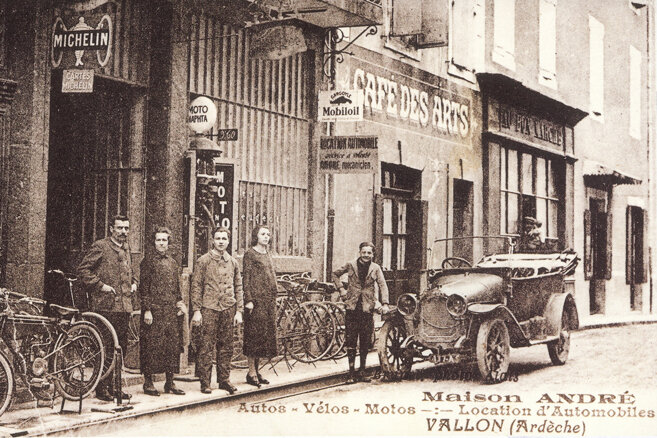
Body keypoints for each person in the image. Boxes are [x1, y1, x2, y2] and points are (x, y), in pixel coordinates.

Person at [78, 214, 138, 402]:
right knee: (105, 348)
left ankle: (116, 387)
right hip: (105, 308)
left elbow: (131, 273)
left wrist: (134, 282)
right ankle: (102, 388)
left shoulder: (126, 248)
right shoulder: (101, 246)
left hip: (124, 308)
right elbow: (83, 270)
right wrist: (100, 285)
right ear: (111, 228)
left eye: (126, 228)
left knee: (121, 348)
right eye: (120, 228)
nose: (123, 232)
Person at [191, 226, 244, 394]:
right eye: (218, 238)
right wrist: (197, 310)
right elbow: (196, 286)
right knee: (206, 346)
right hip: (209, 308)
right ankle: (205, 382)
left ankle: (224, 379)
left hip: (228, 307)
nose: (221, 242)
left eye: (224, 239)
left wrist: (239, 311)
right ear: (212, 240)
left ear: (228, 241)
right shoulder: (203, 261)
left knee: (226, 345)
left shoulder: (233, 262)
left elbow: (238, 286)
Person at [138, 227, 186, 396]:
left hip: (170, 311)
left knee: (171, 346)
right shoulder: (147, 261)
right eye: (158, 240)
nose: (161, 243)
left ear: (168, 242)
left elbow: (176, 286)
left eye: (164, 240)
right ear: (154, 242)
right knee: (151, 346)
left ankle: (170, 382)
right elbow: (144, 289)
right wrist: (147, 310)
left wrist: (180, 303)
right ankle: (148, 382)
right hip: (154, 311)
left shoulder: (173, 263)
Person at [332, 241, 389, 384]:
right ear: (359, 252)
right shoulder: (351, 264)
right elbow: (335, 274)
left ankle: (362, 371)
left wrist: (385, 303)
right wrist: (342, 290)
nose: (366, 255)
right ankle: (351, 373)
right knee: (351, 340)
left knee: (365, 341)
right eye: (364, 252)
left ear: (373, 254)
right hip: (352, 307)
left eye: (369, 253)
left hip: (367, 308)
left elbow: (382, 285)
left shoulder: (375, 268)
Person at [242, 226, 278, 388]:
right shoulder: (250, 254)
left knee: (263, 337)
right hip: (255, 303)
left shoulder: (267, 254)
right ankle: (251, 372)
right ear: (256, 236)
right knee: (253, 336)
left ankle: (256, 371)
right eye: (263, 234)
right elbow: (246, 278)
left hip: (268, 302)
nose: (266, 237)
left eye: (268, 234)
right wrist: (248, 299)